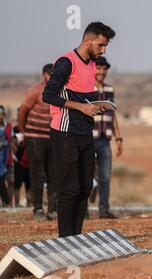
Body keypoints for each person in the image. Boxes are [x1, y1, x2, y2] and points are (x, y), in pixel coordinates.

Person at [43, 22, 116, 237]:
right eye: (101, 45)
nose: (103, 50)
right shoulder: (66, 62)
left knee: (85, 187)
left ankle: (77, 236)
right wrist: (81, 106)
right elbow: (48, 95)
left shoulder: (91, 64)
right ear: (88, 41)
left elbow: (82, 95)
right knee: (70, 187)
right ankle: (65, 239)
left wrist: (97, 104)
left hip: (85, 131)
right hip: (65, 131)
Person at [18, 63, 57, 220]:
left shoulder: (60, 91)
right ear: (43, 75)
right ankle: (38, 209)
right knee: (37, 174)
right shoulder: (35, 90)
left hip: (54, 139)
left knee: (54, 175)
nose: (51, 76)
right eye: (49, 73)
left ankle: (53, 209)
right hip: (34, 139)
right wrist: (24, 132)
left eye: (54, 73)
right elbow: (22, 112)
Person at [90, 56, 123, 219]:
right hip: (88, 138)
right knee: (86, 175)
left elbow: (113, 114)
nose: (102, 72)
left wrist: (119, 138)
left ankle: (104, 209)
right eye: (99, 68)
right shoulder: (86, 88)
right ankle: (84, 211)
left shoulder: (109, 90)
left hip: (105, 139)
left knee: (105, 175)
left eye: (104, 69)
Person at [12, 108, 31, 207]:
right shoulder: (15, 129)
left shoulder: (30, 128)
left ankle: (29, 203)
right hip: (19, 160)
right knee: (17, 183)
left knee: (30, 183)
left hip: (31, 160)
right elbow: (13, 143)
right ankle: (17, 203)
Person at [0, 106, 12, 207]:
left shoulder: (8, 127)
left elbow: (10, 142)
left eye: (1, 114)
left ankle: (7, 202)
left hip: (6, 159)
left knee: (7, 181)